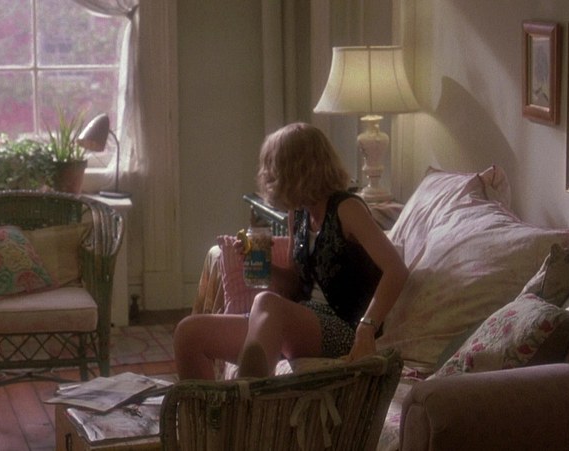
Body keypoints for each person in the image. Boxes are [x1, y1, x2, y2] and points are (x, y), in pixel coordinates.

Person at [174, 122, 408, 379]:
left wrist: (367, 326)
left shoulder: (347, 209)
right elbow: (294, 286)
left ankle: (248, 395)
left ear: (297, 170)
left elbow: (396, 270)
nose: (268, 178)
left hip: (345, 326)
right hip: (301, 319)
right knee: (189, 332)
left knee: (265, 302)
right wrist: (263, 263)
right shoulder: (298, 215)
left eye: (273, 169)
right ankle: (211, 406)